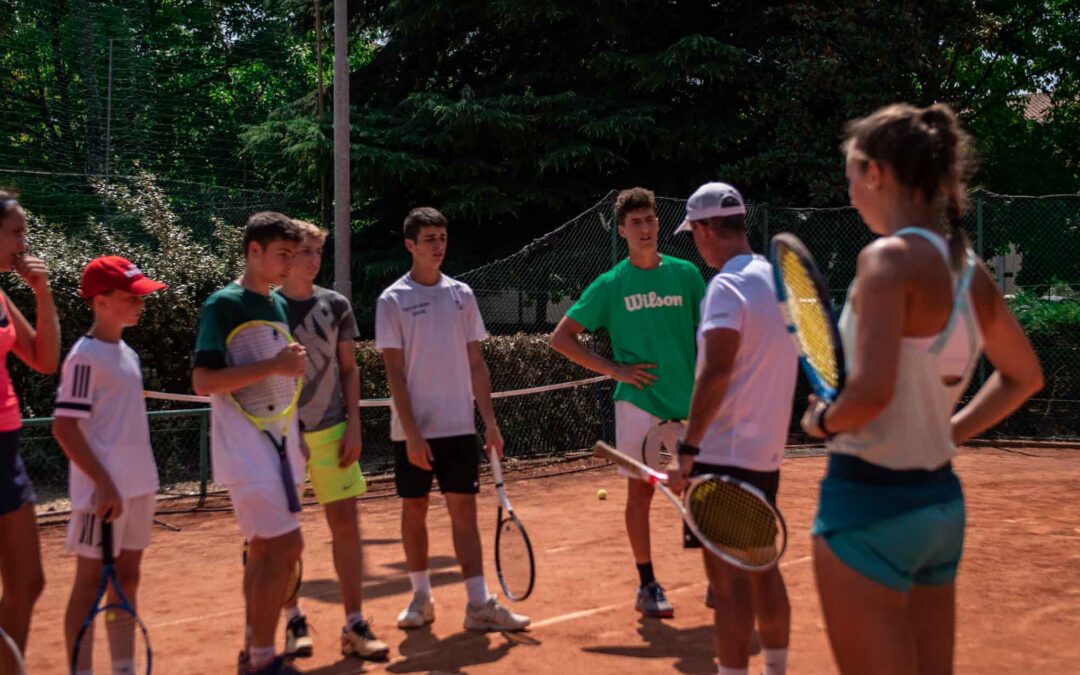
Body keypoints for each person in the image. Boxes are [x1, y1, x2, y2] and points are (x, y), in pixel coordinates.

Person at [803, 103, 1044, 675]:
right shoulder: (970, 271)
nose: (850, 194)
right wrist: (948, 432)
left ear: (876, 173)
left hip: (867, 508)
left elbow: (871, 395)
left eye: (851, 176)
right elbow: (1025, 376)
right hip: (939, 508)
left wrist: (820, 420)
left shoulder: (886, 260)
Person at [550, 187, 705, 617]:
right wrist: (615, 370)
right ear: (622, 230)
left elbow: (709, 332)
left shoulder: (687, 275)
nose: (645, 228)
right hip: (639, 404)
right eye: (636, 222)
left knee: (701, 490)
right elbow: (562, 337)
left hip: (688, 402)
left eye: (650, 219)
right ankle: (647, 584)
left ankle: (716, 578)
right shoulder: (611, 284)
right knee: (642, 494)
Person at [376, 207, 529, 633]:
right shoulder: (392, 300)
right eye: (429, 239)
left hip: (458, 426)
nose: (438, 246)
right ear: (410, 245)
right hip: (413, 432)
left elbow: (476, 363)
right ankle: (420, 598)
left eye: (442, 237)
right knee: (415, 510)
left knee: (464, 514)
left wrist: (490, 422)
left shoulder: (462, 294)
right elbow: (394, 372)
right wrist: (412, 433)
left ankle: (478, 605)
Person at [667, 183, 796, 675]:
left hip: (722, 457)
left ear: (704, 230)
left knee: (729, 587)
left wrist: (688, 449)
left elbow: (717, 371)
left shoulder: (726, 286)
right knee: (764, 571)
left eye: (692, 234)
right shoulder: (775, 281)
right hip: (764, 455)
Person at [192, 212, 308, 675]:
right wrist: (276, 366)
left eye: (293, 255)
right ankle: (263, 659)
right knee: (286, 547)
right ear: (253, 251)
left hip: (280, 449)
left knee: (263, 551)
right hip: (245, 450)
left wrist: (296, 434)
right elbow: (204, 381)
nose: (289, 264)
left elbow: (278, 379)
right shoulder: (223, 304)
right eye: (282, 254)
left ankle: (253, 652)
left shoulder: (277, 304)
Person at [275, 220, 388, 661]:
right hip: (283, 439)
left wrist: (355, 425)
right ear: (286, 256)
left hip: (334, 432)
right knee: (286, 538)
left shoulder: (336, 305)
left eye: (318, 252)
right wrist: (291, 433)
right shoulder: (267, 307)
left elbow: (349, 369)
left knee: (347, 529)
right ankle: (293, 621)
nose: (313, 259)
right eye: (305, 251)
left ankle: (354, 624)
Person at [53, 256, 167, 674]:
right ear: (101, 301)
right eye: (131, 297)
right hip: (100, 498)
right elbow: (65, 426)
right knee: (89, 585)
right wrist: (102, 482)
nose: (140, 303)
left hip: (140, 486)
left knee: (128, 579)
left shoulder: (128, 353)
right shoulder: (84, 357)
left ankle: (124, 669)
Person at [0, 191, 59, 659]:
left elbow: (44, 358)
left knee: (28, 581)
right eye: (16, 233)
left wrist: (43, 293)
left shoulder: (0, 296)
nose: (24, 243)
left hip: (7, 450)